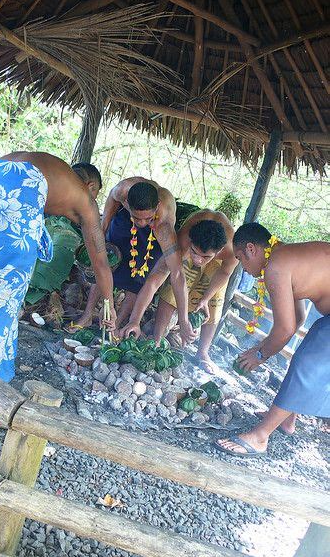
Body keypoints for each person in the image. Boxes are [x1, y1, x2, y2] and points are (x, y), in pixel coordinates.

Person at [0, 151, 115, 424]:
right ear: (92, 187)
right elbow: (101, 263)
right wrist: (110, 307)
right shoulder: (85, 201)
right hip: (17, 190)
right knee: (2, 297)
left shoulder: (53, 175)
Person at [214, 222, 330, 457]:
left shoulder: (275, 267)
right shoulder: (282, 257)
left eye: (240, 258)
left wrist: (260, 354)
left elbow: (286, 327)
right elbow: (297, 318)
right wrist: (262, 348)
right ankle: (286, 420)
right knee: (304, 357)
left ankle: (260, 437)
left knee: (308, 364)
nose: (243, 269)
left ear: (251, 249)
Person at [66, 177, 195, 344]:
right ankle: (87, 315)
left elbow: (177, 274)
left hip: (153, 234)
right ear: (126, 203)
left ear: (156, 208)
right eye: (138, 218)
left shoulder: (163, 226)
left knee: (138, 277)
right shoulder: (122, 191)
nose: (141, 223)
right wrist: (103, 233)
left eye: (146, 219)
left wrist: (184, 320)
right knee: (106, 263)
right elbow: (111, 203)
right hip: (124, 222)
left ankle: (116, 325)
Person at [121, 211, 237, 372]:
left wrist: (205, 298)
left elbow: (224, 274)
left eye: (205, 257)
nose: (198, 260)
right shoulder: (184, 239)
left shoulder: (232, 250)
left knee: (215, 301)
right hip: (188, 248)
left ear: (219, 251)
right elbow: (156, 279)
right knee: (172, 289)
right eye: (195, 253)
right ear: (190, 241)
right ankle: (157, 339)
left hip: (217, 263)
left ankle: (202, 352)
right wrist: (134, 320)